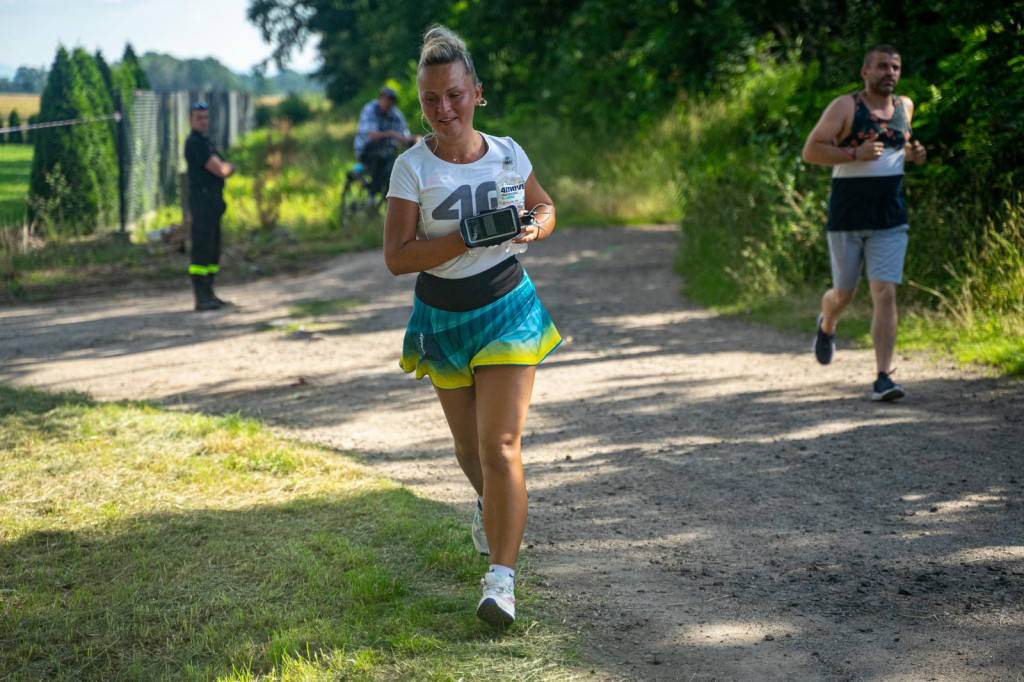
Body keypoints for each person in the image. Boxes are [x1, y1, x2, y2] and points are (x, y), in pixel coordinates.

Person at [383, 25, 561, 625]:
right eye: (431, 99)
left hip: (508, 305)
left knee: (500, 444)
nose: (444, 109)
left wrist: (535, 226)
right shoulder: (411, 168)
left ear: (476, 92)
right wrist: (463, 237)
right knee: (469, 450)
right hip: (442, 317)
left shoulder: (509, 152)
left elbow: (545, 204)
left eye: (455, 95)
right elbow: (397, 257)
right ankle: (490, 505)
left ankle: (501, 582)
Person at [802, 45, 927, 401]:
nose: (890, 73)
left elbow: (894, 150)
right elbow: (811, 151)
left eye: (896, 67)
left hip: (890, 216)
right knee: (844, 294)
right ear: (865, 72)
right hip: (847, 217)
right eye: (882, 66)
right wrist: (853, 154)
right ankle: (827, 325)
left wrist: (913, 155)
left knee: (885, 292)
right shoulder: (846, 107)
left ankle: (883, 377)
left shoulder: (905, 106)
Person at [184, 100, 236, 311]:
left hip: (213, 202)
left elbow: (221, 166)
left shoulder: (206, 142)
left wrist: (226, 167)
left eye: (205, 117)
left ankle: (210, 291)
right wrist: (230, 167)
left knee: (214, 250)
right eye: (199, 117)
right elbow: (220, 169)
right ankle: (201, 296)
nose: (203, 121)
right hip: (202, 203)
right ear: (190, 120)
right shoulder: (195, 143)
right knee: (202, 249)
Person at [354, 86, 419, 206]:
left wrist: (415, 140)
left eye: (391, 100)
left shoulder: (395, 114)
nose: (389, 103)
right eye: (387, 99)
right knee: (380, 158)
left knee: (396, 166)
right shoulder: (370, 109)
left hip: (387, 150)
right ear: (380, 98)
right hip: (366, 149)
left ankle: (388, 198)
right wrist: (392, 134)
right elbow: (372, 136)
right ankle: (372, 195)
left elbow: (403, 135)